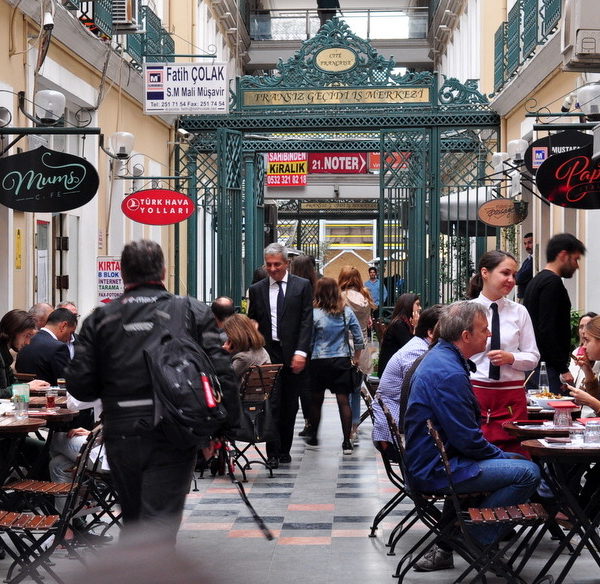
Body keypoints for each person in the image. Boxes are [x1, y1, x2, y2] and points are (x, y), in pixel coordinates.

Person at [64, 240, 240, 544]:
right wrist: (223, 429)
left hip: (121, 433)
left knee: (135, 521)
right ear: (164, 271)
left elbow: (80, 385)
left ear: (122, 273)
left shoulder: (100, 319)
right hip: (174, 431)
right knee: (160, 522)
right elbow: (222, 371)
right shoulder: (191, 311)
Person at [404, 301, 541, 571]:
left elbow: (466, 437)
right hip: (437, 469)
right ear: (466, 337)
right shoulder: (448, 372)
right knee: (528, 472)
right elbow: (467, 439)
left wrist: (501, 457)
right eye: (484, 330)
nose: (489, 335)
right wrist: (504, 457)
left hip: (437, 462)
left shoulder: (443, 359)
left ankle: (458, 536)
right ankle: (475, 537)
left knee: (515, 463)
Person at [466, 251, 539, 455]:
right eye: (505, 273)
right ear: (485, 273)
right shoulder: (466, 310)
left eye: (514, 275)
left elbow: (533, 357)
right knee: (477, 454)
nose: (511, 280)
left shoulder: (519, 312)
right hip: (476, 393)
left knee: (518, 455)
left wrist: (512, 358)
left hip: (511, 396)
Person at [248, 243, 313, 468]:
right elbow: (252, 318)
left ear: (287, 264)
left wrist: (301, 352)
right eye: (269, 265)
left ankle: (284, 449)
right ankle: (273, 453)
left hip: (295, 353)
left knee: (290, 405)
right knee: (271, 403)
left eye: (277, 264)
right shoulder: (257, 289)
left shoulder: (302, 286)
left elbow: (307, 321)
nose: (273, 269)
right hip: (270, 353)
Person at [371, 305, 442, 456]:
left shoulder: (420, 345)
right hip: (395, 430)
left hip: (397, 419)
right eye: (447, 329)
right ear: (430, 333)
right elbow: (417, 393)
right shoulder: (418, 351)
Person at [305, 277, 364, 455]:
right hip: (341, 360)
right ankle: (346, 442)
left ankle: (314, 436)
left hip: (319, 360)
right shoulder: (346, 312)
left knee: (316, 401)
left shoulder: (314, 314)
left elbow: (309, 340)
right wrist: (356, 357)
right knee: (343, 401)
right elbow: (359, 337)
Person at [523, 233, 586, 394]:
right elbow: (548, 329)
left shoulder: (536, 281)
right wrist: (562, 368)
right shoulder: (552, 283)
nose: (577, 266)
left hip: (538, 367)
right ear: (563, 255)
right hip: (547, 370)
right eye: (575, 259)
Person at [338, 265, 375, 443]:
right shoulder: (365, 296)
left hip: (344, 347)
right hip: (363, 347)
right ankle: (354, 425)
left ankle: (347, 428)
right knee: (356, 388)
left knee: (343, 390)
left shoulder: (340, 298)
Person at [290, 254, 318, 437]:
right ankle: (311, 422)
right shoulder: (316, 288)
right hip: (316, 345)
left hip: (298, 342)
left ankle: (309, 423)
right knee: (309, 386)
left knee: (300, 388)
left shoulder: (294, 289)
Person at [15, 308, 78, 385]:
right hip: (48, 395)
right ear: (63, 326)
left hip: (22, 393)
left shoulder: (25, 341)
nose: (70, 338)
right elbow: (66, 383)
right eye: (71, 332)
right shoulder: (59, 347)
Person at [0, 310, 50, 397]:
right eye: (27, 335)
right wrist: (26, 387)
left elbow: (12, 382)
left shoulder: (4, 354)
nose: (28, 342)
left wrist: (32, 385)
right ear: (14, 331)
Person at [377, 293, 421, 377]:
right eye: (417, 305)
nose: (420, 308)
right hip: (391, 373)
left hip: (397, 369)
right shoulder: (399, 324)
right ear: (408, 305)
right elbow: (411, 348)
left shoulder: (405, 322)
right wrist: (416, 327)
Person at [222, 314, 271, 379]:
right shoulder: (262, 351)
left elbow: (225, 379)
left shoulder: (243, 358)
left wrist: (224, 354)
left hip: (243, 389)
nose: (228, 337)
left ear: (235, 336)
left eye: (228, 335)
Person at [568, 312, 599, 398]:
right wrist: (587, 369)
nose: (584, 346)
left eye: (587, 340)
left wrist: (588, 400)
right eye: (581, 327)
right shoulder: (576, 352)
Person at [515, 232, 533, 300]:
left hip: (528, 298)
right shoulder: (527, 260)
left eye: (529, 243)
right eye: (525, 243)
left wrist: (517, 275)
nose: (527, 246)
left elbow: (518, 278)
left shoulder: (533, 261)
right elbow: (517, 277)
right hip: (524, 297)